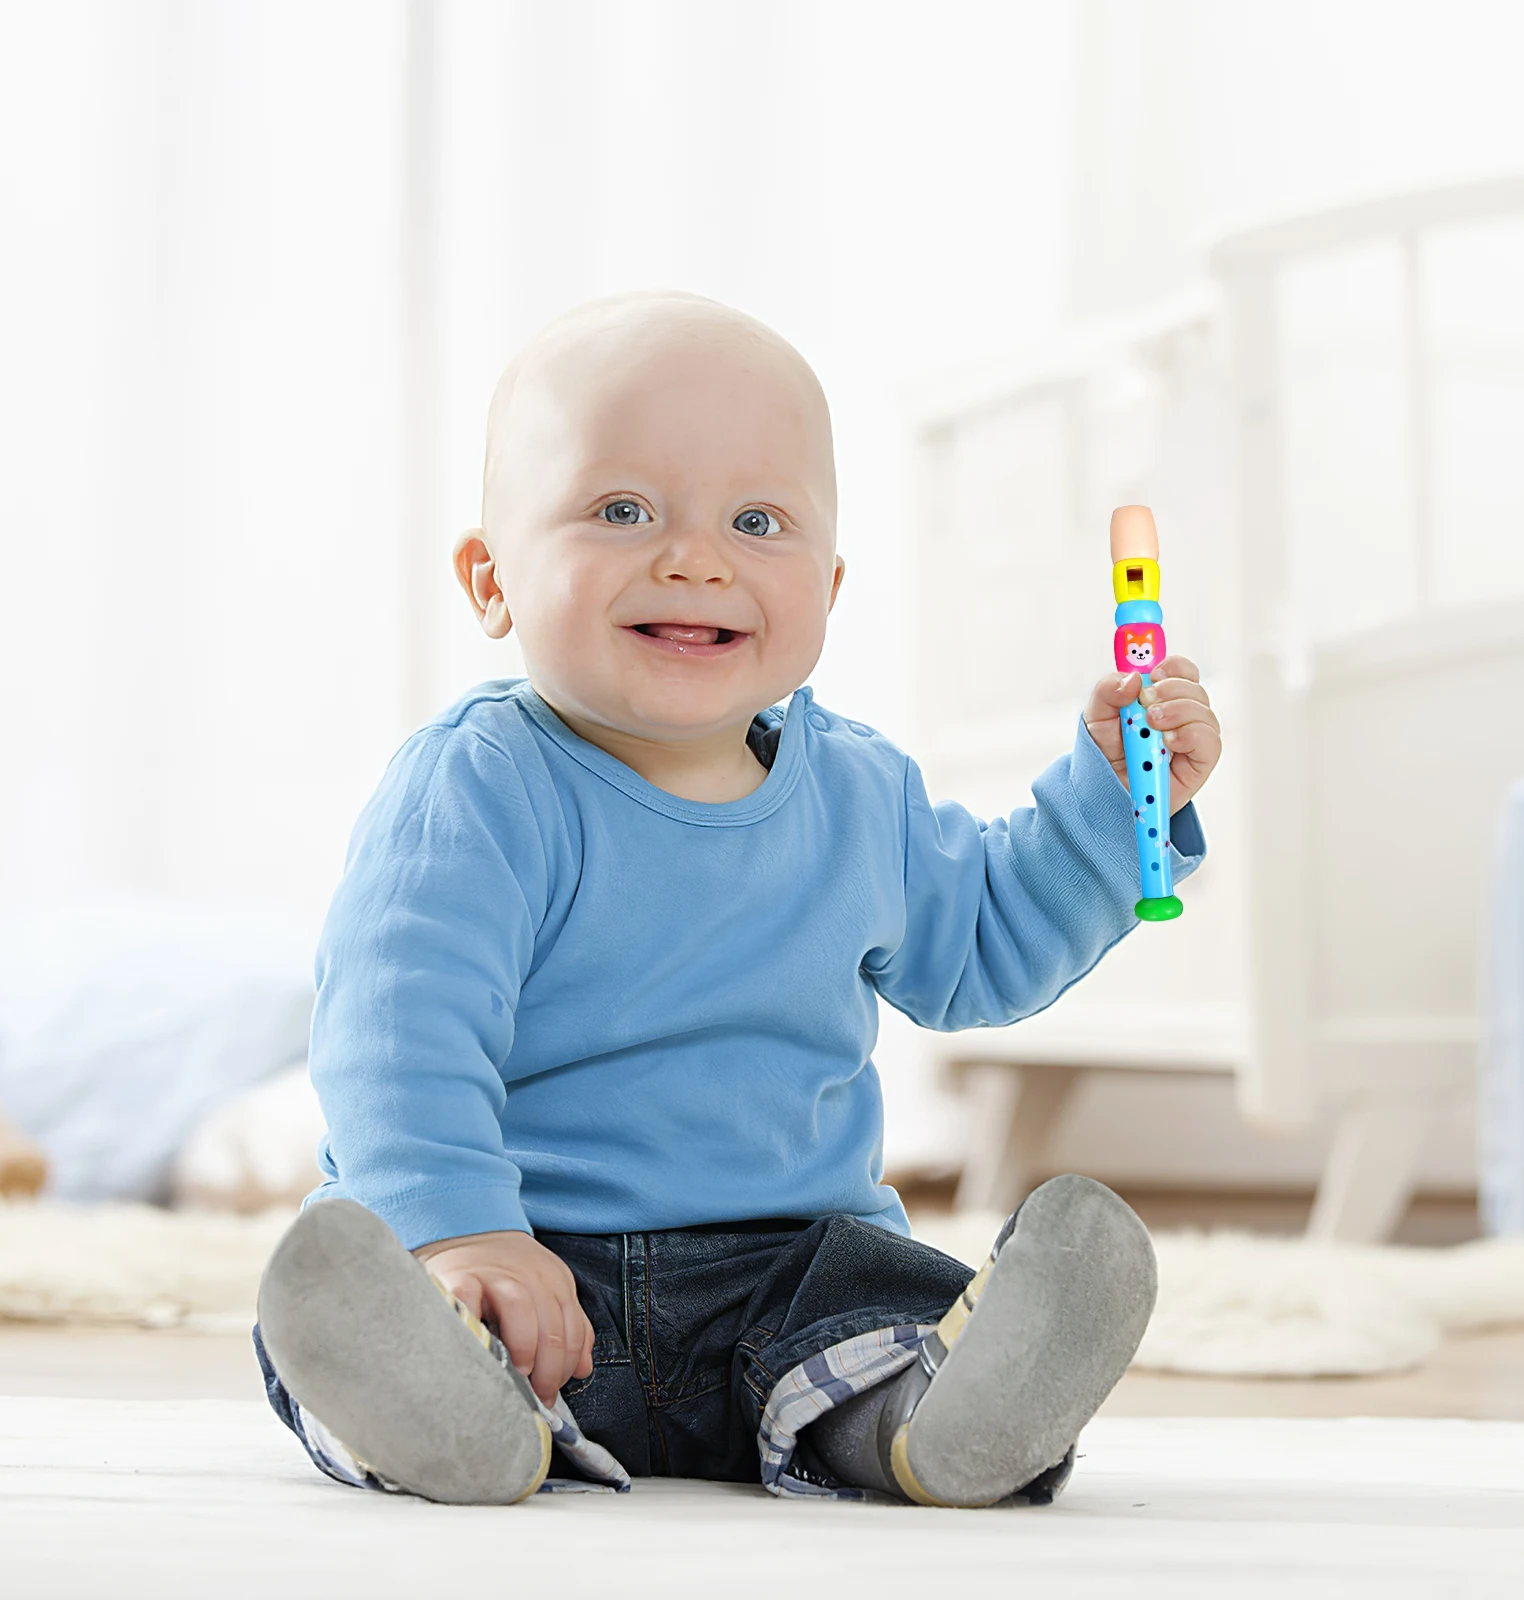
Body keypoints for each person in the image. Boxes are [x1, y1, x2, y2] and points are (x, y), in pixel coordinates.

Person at [254, 290, 1221, 1507]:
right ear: (490, 579)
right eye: (621, 510)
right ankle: (454, 1414)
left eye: (756, 521)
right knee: (407, 1314)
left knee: (879, 1307)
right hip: (532, 1255)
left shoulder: (860, 792)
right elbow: (398, 1033)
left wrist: (1104, 804)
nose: (695, 556)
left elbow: (984, 944)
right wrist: (457, 1230)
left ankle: (926, 1421)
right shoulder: (482, 784)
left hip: (787, 1271)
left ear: (828, 581)